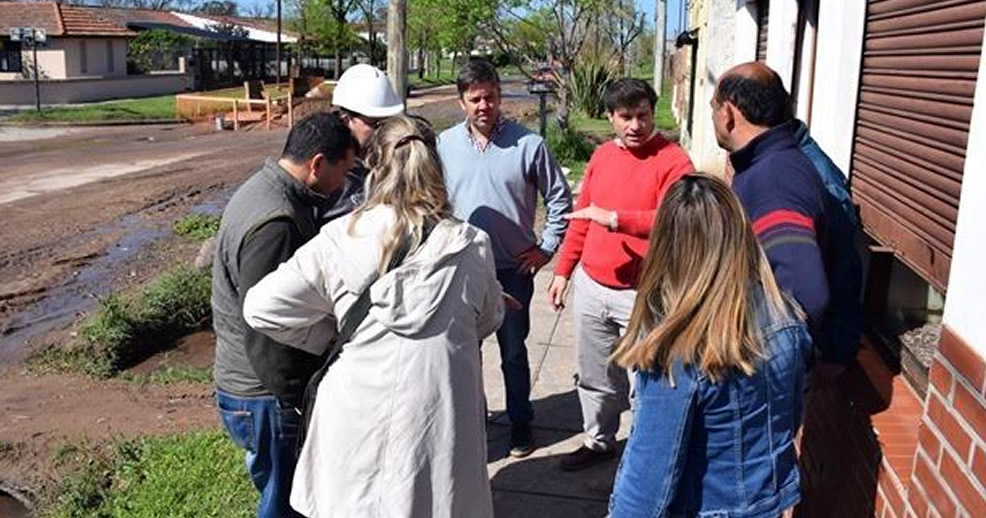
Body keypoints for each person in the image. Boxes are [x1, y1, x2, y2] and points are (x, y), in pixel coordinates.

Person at [242, 115, 504, 518]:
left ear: (374, 169)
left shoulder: (341, 237)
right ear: (435, 166)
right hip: (439, 417)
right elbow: (488, 320)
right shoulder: (472, 244)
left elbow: (262, 308)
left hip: (354, 418)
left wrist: (331, 337)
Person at [608, 174, 813, 518]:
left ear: (666, 245)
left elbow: (649, 478)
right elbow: (787, 418)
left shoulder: (677, 349)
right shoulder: (787, 317)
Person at [211, 112, 358, 518]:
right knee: (284, 504)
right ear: (316, 164)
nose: (344, 185)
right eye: (342, 171)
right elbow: (263, 324)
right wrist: (295, 397)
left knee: (279, 495)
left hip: (251, 389)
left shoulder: (266, 189)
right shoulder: (278, 221)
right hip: (264, 394)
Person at [546, 78, 694, 471]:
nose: (635, 126)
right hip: (593, 286)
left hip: (644, 293)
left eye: (642, 116)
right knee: (595, 376)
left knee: (644, 381)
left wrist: (615, 220)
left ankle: (645, 454)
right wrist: (564, 271)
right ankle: (598, 441)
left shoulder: (674, 161)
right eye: (625, 117)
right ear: (610, 117)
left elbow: (675, 219)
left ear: (652, 113)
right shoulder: (602, 158)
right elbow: (581, 218)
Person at [437, 58, 573, 458]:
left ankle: (520, 423)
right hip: (462, 269)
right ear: (461, 101)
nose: (484, 106)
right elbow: (434, 200)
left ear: (500, 97)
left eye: (491, 97)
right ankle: (472, 424)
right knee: (464, 355)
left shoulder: (529, 144)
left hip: (513, 270)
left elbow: (560, 199)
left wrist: (546, 247)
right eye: (475, 99)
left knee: (513, 351)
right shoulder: (444, 146)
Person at [710, 62, 862, 377]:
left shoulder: (776, 178)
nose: (713, 116)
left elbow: (807, 292)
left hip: (764, 371)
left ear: (728, 112)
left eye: (713, 107)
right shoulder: (766, 164)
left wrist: (759, 360)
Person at [318, 63, 405, 224]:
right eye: (375, 124)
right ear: (347, 120)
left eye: (386, 123)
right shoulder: (326, 170)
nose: (383, 132)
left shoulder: (390, 160)